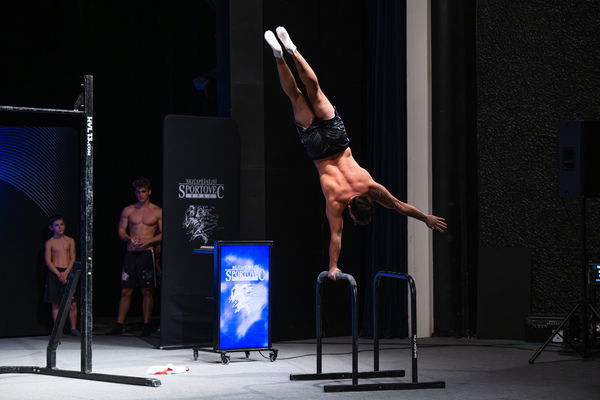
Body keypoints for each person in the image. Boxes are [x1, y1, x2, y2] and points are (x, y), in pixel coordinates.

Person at [264, 27, 447, 280]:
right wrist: (333, 267)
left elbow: (399, 206)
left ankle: (291, 50)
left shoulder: (370, 187)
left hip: (338, 143)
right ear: (351, 209)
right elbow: (336, 236)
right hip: (318, 151)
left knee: (314, 88)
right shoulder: (336, 202)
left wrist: (425, 217)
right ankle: (278, 56)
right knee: (295, 97)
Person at [107, 177, 162, 337]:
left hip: (147, 254)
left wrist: (149, 241)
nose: (140, 195)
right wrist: (129, 238)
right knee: (125, 290)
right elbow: (121, 231)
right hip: (131, 254)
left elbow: (164, 234)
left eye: (143, 191)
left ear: (149, 192)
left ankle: (146, 325)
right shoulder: (128, 210)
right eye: (138, 192)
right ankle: (119, 325)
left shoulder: (157, 211)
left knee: (147, 291)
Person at [44, 215, 79, 336]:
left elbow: (73, 257)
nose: (60, 227)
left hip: (68, 271)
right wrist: (59, 274)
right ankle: (58, 329)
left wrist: (66, 273)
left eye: (62, 224)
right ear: (51, 228)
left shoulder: (70, 240)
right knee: (56, 303)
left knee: (72, 303)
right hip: (55, 273)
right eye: (57, 225)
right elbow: (48, 261)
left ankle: (73, 328)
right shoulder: (50, 242)